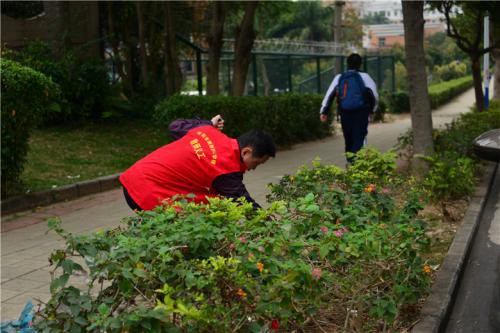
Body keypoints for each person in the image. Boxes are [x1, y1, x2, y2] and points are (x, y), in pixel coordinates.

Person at [120, 115, 276, 211]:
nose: (254, 169)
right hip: (146, 191)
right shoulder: (226, 167)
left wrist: (207, 123)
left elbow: (175, 127)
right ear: (246, 152)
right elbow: (243, 202)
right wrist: (270, 226)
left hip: (134, 177)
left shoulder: (208, 130)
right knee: (215, 205)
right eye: (257, 163)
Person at [319, 53, 378, 163]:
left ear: (347, 64)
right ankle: (358, 163)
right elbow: (374, 96)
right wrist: (372, 110)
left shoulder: (340, 77)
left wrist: (324, 111)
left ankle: (350, 161)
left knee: (348, 138)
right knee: (359, 137)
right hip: (361, 113)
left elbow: (330, 94)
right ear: (360, 64)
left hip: (345, 112)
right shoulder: (365, 77)